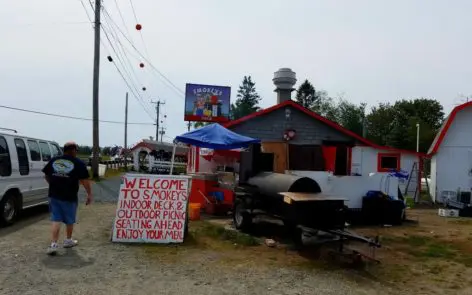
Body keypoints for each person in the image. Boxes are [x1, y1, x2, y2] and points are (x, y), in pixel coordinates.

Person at [42, 141, 92, 255]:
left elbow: (46, 175)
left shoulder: (54, 160)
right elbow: (85, 180)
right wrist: (89, 194)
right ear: (73, 150)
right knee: (69, 219)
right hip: (69, 196)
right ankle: (68, 240)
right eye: (76, 150)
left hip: (54, 195)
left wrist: (53, 184)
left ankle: (53, 244)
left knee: (56, 219)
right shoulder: (78, 163)